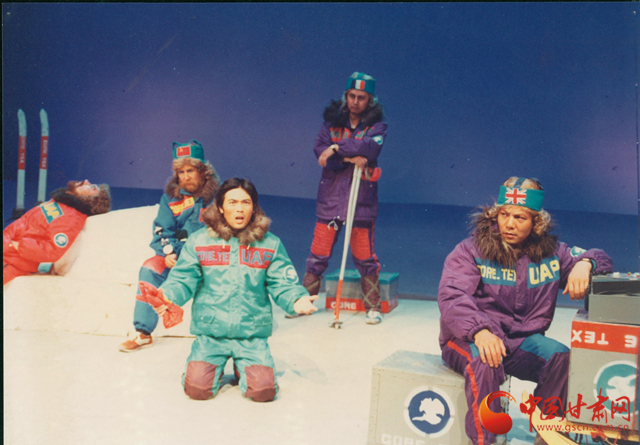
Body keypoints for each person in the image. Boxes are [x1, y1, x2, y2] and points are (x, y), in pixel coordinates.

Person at [437, 177, 614, 445]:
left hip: (520, 342)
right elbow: (452, 295)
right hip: (467, 338)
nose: (509, 224)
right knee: (485, 361)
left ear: (536, 222)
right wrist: (480, 331)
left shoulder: (553, 254)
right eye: (504, 215)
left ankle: (547, 436)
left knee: (560, 358)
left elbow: (602, 258)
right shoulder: (470, 251)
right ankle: (486, 441)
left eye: (519, 217)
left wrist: (586, 263)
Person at [138, 178, 318, 402]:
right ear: (221, 207)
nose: (239, 208)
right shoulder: (199, 241)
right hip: (211, 333)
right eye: (232, 202)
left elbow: (282, 281)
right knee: (197, 389)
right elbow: (183, 278)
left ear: (253, 207)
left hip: (251, 335)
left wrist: (296, 299)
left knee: (263, 391)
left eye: (246, 202)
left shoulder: (270, 244)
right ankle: (212, 367)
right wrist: (167, 295)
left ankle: (245, 368)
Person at [302, 71, 387, 325]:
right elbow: (320, 152)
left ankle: (373, 307)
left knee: (365, 258)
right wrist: (348, 158)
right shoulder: (331, 123)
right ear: (345, 96)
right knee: (318, 254)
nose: (355, 102)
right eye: (351, 96)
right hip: (330, 201)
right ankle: (305, 302)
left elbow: (370, 148)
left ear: (370, 100)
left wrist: (337, 147)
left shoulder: (378, 126)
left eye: (361, 97)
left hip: (361, 202)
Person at [119, 140, 219, 352]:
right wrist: (169, 253)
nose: (186, 177)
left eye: (190, 170)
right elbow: (162, 230)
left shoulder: (219, 197)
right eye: (181, 172)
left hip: (210, 258)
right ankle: (143, 332)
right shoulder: (170, 199)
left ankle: (219, 336)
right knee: (150, 268)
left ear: (203, 171)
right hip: (177, 256)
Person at [4, 180, 111, 285]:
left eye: (92, 187)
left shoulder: (72, 217)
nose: (86, 181)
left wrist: (17, 245)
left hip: (12, 261)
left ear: (90, 200)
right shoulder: (59, 203)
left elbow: (52, 251)